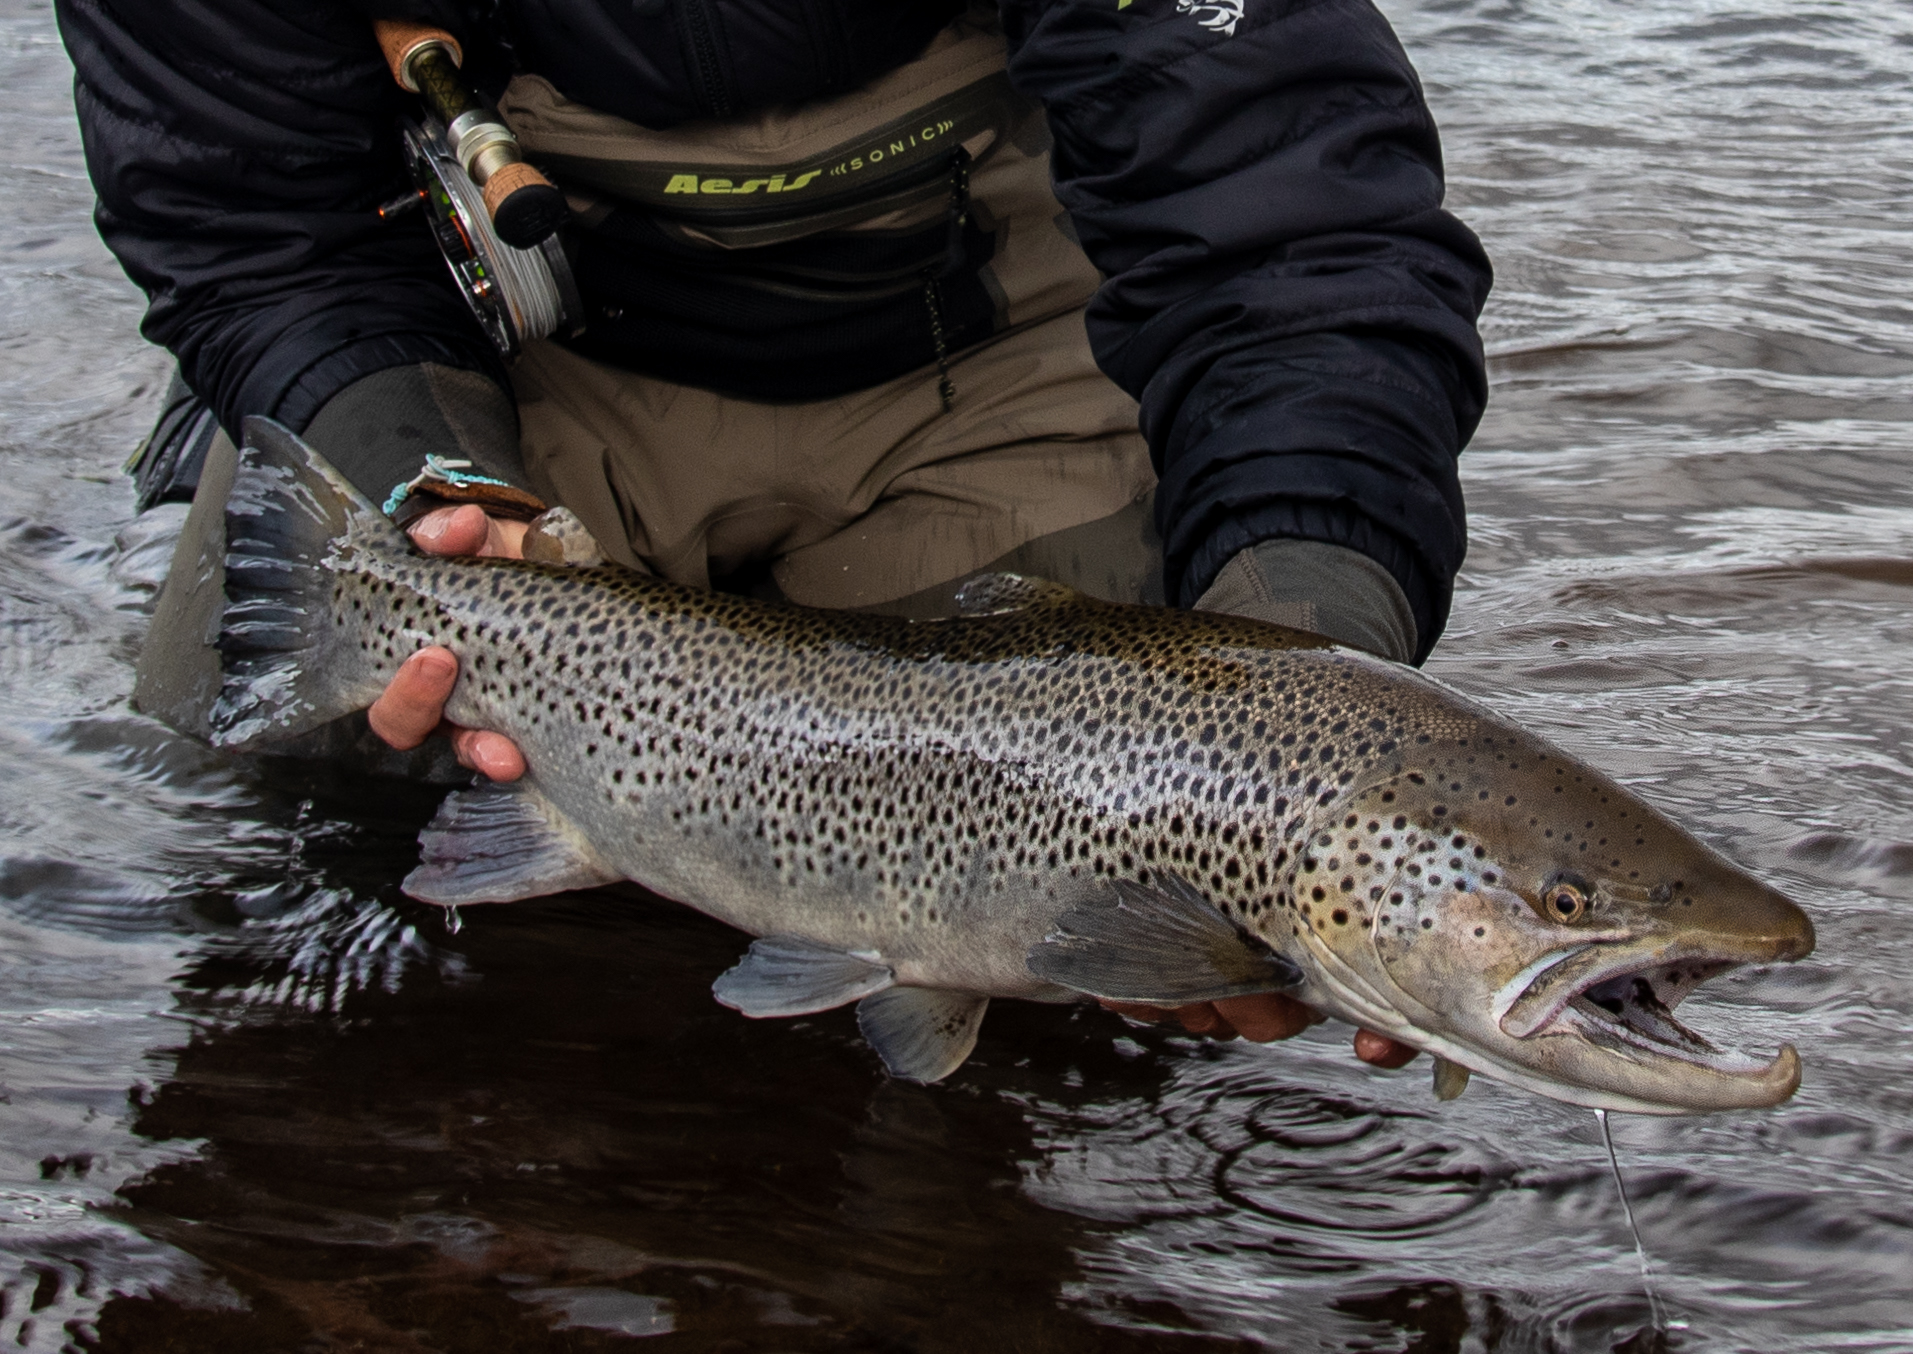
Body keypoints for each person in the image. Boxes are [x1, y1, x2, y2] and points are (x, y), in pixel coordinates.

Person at [61, 0, 1488, 1062]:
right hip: (512, 352)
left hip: (993, 335)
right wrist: (420, 483)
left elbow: (1290, 233)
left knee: (1107, 908)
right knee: (285, 769)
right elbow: (258, 228)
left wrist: (1295, 687)